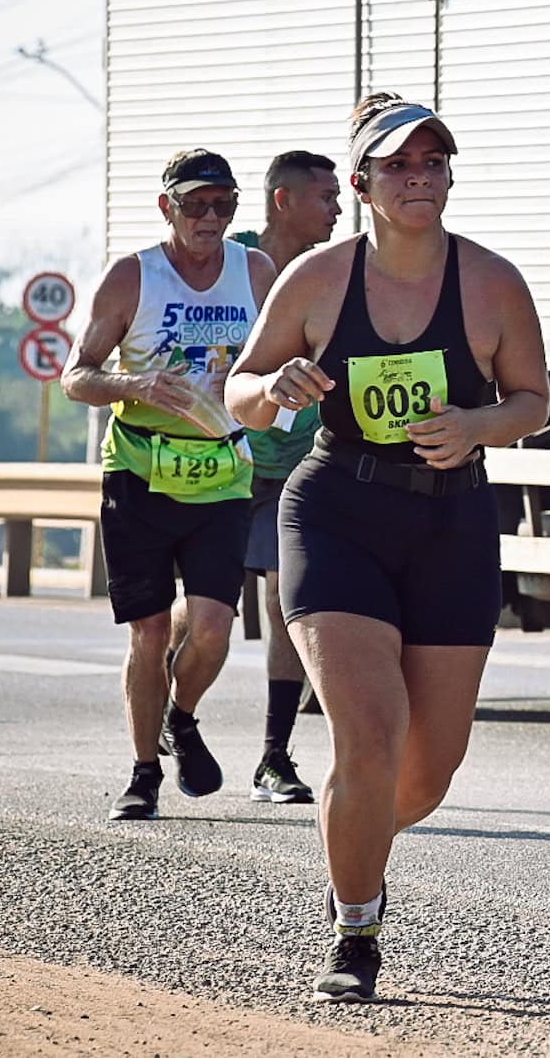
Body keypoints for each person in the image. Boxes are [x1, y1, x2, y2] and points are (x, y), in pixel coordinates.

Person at [224, 93, 549, 1004]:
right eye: (399, 166)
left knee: (428, 769)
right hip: (338, 513)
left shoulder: (490, 281)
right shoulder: (318, 281)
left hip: (452, 524)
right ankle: (355, 929)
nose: (419, 178)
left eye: (433, 163)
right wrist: (273, 385)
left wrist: (478, 424)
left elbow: (534, 399)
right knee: (369, 733)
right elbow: (243, 392)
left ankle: (353, 830)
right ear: (361, 182)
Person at [63, 149, 277, 821]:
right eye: (195, 204)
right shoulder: (134, 276)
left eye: (223, 204)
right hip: (140, 471)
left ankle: (180, 716)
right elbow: (76, 374)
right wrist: (133, 384)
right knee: (151, 631)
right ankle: (144, 771)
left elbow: (285, 355)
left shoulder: (257, 272)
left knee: (213, 625)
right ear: (167, 208)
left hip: (223, 471)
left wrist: (274, 387)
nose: (210, 217)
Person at [228, 150, 342, 804]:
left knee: (282, 602)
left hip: (295, 469)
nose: (336, 208)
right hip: (224, 460)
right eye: (324, 196)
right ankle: (168, 682)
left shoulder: (338, 271)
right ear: (283, 200)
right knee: (206, 610)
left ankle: (274, 757)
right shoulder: (235, 263)